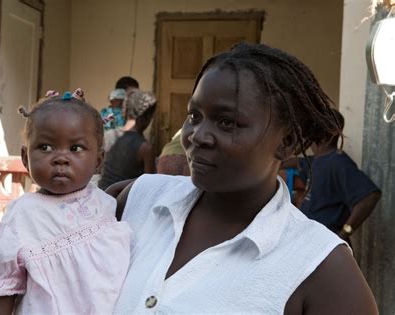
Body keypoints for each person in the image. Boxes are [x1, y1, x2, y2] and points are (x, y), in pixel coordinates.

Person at [109, 43, 377, 313]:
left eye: (227, 122)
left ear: (287, 142)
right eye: (194, 116)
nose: (198, 135)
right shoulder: (139, 199)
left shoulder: (321, 267)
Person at [0, 89, 131, 314]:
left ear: (98, 160)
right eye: (45, 147)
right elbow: (5, 289)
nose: (61, 158)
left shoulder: (104, 203)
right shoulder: (23, 214)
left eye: (75, 148)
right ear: (25, 157)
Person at [283, 109, 381, 242]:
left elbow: (370, 196)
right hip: (310, 240)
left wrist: (344, 233)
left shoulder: (338, 163)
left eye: (314, 130)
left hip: (325, 243)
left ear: (325, 135)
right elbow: (296, 162)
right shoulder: (317, 160)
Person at [98, 89, 156, 190]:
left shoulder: (108, 136)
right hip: (124, 200)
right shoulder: (145, 148)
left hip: (103, 195)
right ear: (147, 117)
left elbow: (100, 169)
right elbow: (149, 186)